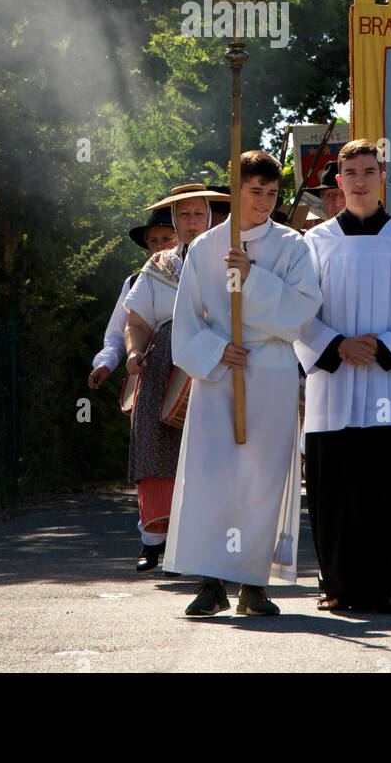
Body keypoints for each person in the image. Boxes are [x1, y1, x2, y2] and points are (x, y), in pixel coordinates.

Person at [163, 150, 323, 616]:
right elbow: (187, 321)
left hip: (270, 369)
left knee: (262, 477)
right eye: (256, 192)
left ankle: (253, 585)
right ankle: (210, 581)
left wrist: (254, 278)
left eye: (273, 194)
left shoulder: (293, 246)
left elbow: (300, 311)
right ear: (236, 191)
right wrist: (215, 351)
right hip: (219, 374)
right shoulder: (205, 248)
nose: (265, 202)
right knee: (212, 476)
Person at [294, 139, 391, 613]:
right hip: (331, 381)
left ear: (382, 178)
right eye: (351, 173)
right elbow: (296, 311)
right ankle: (336, 584)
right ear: (338, 182)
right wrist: (335, 345)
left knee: (380, 485)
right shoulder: (314, 243)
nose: (360, 180)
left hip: (383, 381)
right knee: (331, 484)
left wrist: (380, 348)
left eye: (368, 171)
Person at [122, 183, 229, 570]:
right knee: (153, 440)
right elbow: (136, 321)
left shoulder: (228, 259)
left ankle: (211, 541)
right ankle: (153, 541)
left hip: (215, 358)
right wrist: (134, 352)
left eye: (198, 213)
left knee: (212, 450)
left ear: (210, 216)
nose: (191, 221)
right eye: (183, 215)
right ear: (173, 221)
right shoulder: (159, 265)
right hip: (163, 363)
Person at [87, 208, 176, 391]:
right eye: (153, 240)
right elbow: (117, 334)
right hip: (150, 373)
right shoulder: (134, 282)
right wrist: (105, 363)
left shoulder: (194, 270)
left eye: (166, 239)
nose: (160, 245)